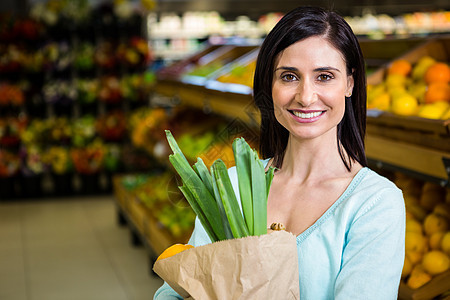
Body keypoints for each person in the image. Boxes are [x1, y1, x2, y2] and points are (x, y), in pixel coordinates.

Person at [154, 6, 405, 299]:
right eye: (289, 77)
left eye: (324, 76)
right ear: (269, 85)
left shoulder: (374, 204)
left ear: (349, 83)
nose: (306, 96)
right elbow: (172, 292)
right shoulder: (230, 186)